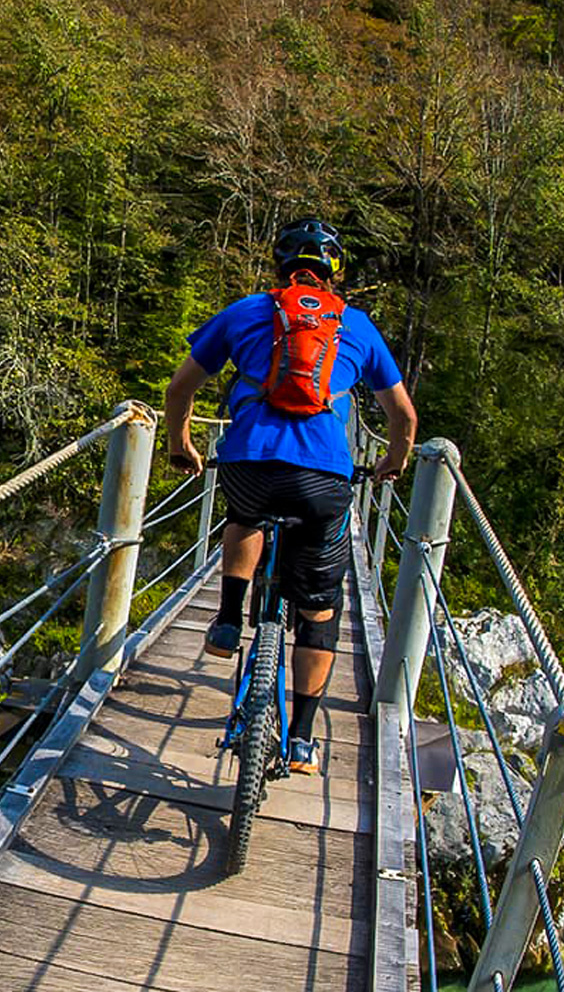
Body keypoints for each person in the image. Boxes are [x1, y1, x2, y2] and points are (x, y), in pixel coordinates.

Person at [159, 217, 416, 776]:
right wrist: (392, 463)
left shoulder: (247, 310)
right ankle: (301, 740)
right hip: (323, 479)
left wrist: (180, 442)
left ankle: (228, 619)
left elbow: (181, 388)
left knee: (245, 513)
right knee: (321, 609)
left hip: (249, 463)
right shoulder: (356, 324)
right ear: (334, 273)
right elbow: (403, 416)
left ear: (281, 266)